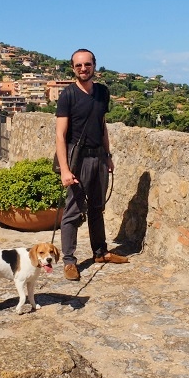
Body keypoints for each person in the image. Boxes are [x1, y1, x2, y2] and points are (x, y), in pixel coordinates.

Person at [55, 48, 128, 281]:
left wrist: (108, 155)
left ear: (94, 65)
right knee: (73, 211)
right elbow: (60, 135)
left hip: (98, 157)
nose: (83, 69)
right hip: (78, 160)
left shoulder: (102, 93)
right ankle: (69, 261)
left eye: (87, 64)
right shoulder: (67, 95)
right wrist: (65, 170)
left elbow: (103, 125)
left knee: (97, 207)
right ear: (73, 68)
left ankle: (100, 252)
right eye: (78, 66)